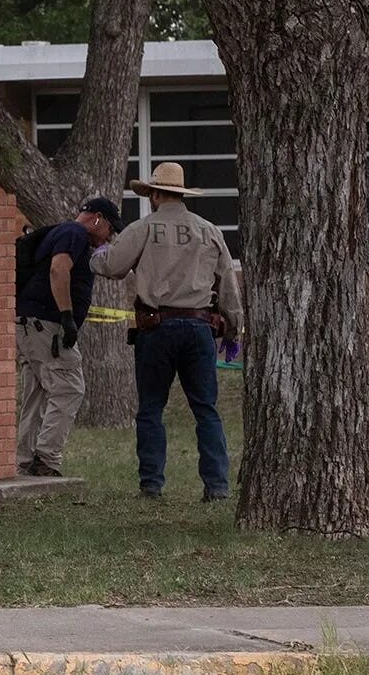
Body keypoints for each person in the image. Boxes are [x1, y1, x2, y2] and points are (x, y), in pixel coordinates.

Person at [90, 162, 244, 502]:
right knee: (206, 409)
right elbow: (229, 285)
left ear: (157, 194)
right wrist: (233, 329)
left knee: (151, 408)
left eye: (150, 194)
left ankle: (151, 484)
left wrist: (95, 255)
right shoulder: (209, 230)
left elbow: (113, 266)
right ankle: (217, 486)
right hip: (200, 328)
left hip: (156, 328)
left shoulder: (143, 228)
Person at [15, 197, 122, 478]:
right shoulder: (74, 233)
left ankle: (25, 460)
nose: (108, 238)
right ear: (97, 218)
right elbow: (58, 269)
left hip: (31, 324)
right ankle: (47, 458)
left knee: (37, 393)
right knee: (69, 387)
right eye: (110, 229)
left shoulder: (63, 232)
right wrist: (66, 316)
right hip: (46, 325)